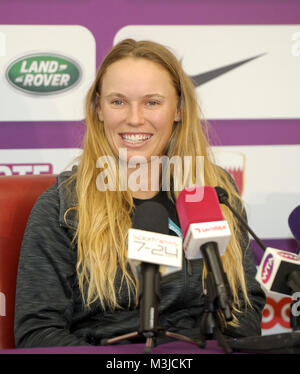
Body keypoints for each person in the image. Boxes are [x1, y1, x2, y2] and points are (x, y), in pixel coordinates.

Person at [14, 39, 266, 348]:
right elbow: (38, 332)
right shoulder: (62, 206)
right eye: (118, 101)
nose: (134, 118)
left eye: (152, 102)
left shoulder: (215, 191)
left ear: (178, 110)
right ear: (98, 109)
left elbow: (245, 303)